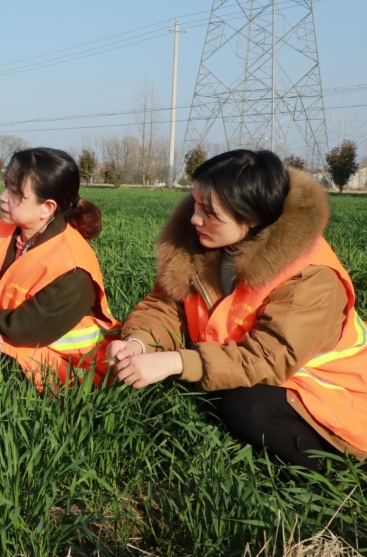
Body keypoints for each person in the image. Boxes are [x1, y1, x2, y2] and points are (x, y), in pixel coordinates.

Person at [110, 149, 367, 469]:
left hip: (332, 394)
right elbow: (167, 306)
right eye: (195, 203)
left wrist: (177, 361)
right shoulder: (199, 244)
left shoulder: (311, 277)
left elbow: (270, 357)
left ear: (253, 218)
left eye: (210, 212)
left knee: (245, 405)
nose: (194, 219)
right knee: (206, 390)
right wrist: (139, 342)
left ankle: (332, 474)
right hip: (259, 369)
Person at [0, 147, 119, 387]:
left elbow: (28, 328)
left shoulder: (73, 266)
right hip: (4, 336)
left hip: (69, 365)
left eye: (15, 192)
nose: (2, 196)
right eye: (6, 186)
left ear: (47, 207)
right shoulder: (3, 232)